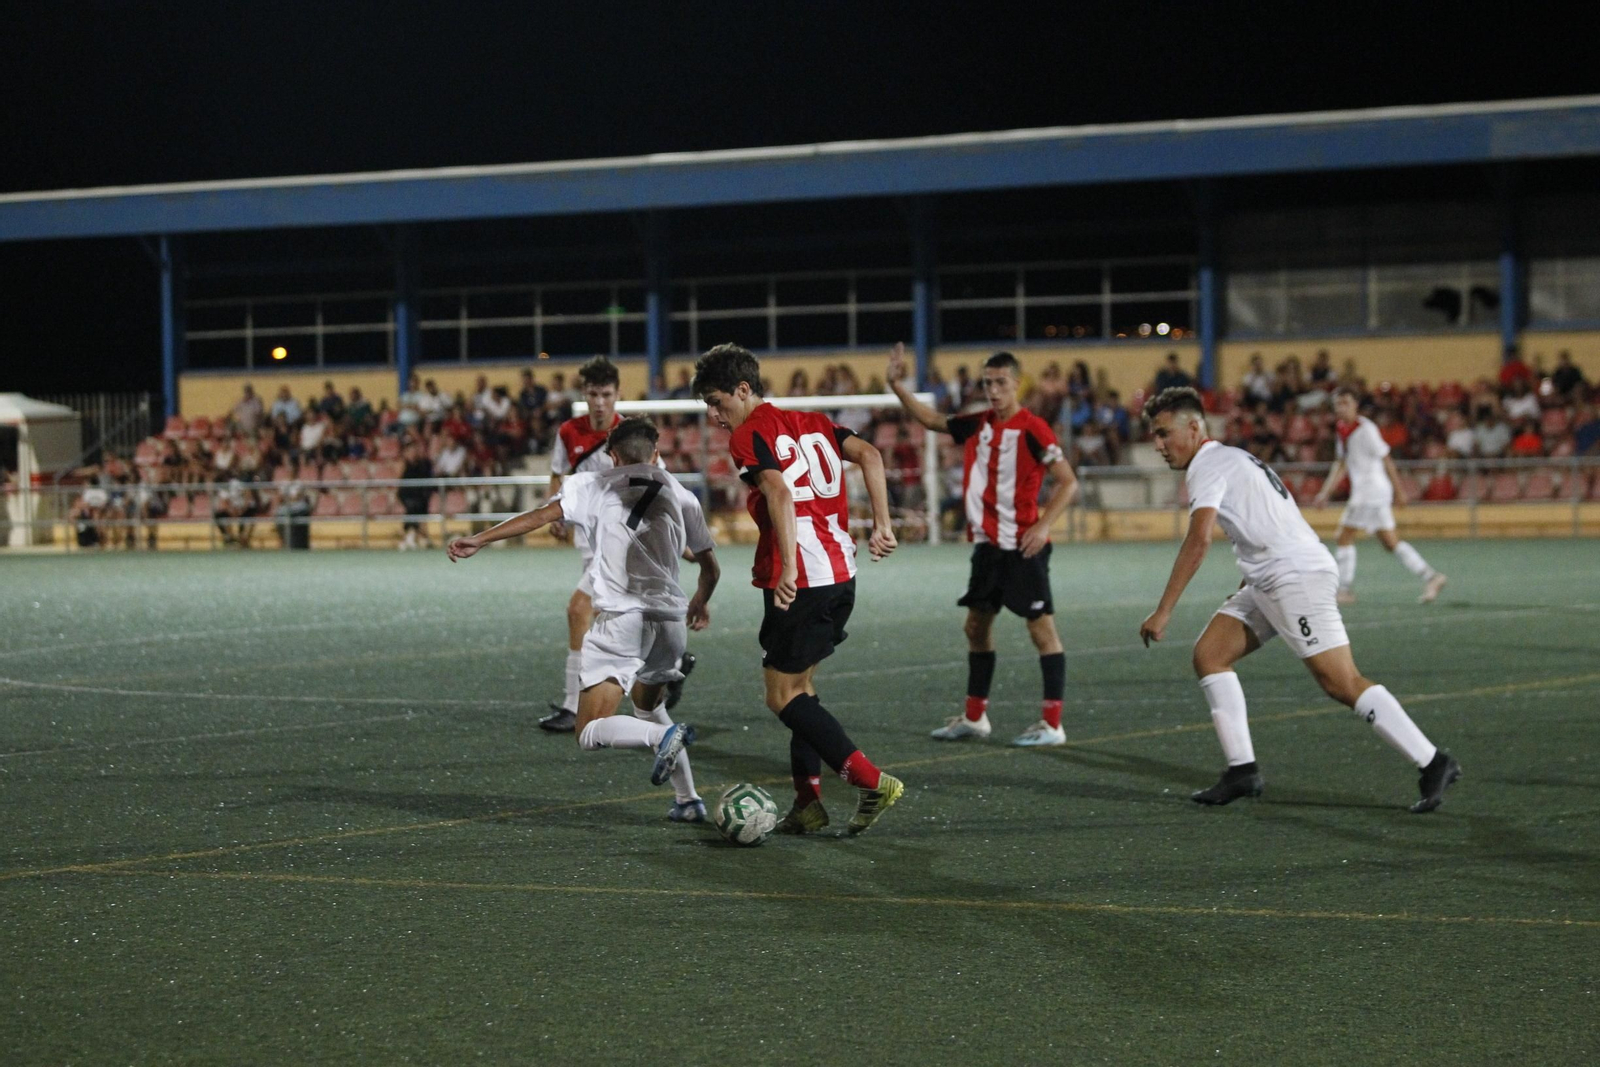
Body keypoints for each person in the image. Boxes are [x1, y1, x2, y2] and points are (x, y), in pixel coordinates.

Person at [1138, 386, 1461, 814]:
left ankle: (1433, 762)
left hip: (1295, 579)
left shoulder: (1208, 465)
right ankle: (1242, 770)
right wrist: (1247, 581)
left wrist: (1164, 611)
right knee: (1210, 655)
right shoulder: (1231, 458)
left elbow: (1198, 541)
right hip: (1271, 577)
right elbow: (1268, 524)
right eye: (1154, 436)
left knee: (1341, 682)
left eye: (1163, 434)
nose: (1157, 445)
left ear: (1195, 427)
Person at [446, 418, 720, 822]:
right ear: (657, 454)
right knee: (649, 707)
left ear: (612, 456)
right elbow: (710, 567)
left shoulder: (594, 484)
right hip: (671, 624)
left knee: (590, 730)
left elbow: (540, 516)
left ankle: (661, 739)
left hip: (622, 622)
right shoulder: (684, 495)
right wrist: (701, 600)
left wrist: (480, 539)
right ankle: (688, 800)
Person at [693, 342, 904, 836]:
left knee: (781, 695)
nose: (716, 416)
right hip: (840, 572)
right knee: (803, 688)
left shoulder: (750, 435)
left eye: (718, 403)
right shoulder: (814, 421)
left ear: (743, 390)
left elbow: (781, 492)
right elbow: (871, 454)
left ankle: (871, 781)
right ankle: (808, 803)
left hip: (801, 577)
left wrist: (788, 566)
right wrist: (882, 524)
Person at [887, 344, 1080, 746]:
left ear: (1017, 384)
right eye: (988, 383)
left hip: (1023, 547)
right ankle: (975, 719)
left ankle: (1053, 725)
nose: (993, 390)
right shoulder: (979, 424)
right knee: (976, 627)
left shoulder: (1033, 429)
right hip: (988, 548)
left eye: (1000, 383)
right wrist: (897, 385)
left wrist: (1043, 526)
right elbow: (931, 419)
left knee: (1042, 632)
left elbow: (1068, 481)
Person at [542, 357, 695, 732]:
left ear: (618, 394)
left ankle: (572, 704)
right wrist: (555, 513)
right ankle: (669, 667)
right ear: (584, 394)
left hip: (623, 543)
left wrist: (682, 535)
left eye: (605, 394)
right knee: (626, 616)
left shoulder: (629, 434)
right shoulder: (568, 432)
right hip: (589, 542)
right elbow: (557, 475)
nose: (598, 402)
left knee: (579, 610)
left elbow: (660, 483)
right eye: (592, 394)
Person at [1311, 387, 1447, 605]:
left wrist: (1400, 491)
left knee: (1343, 537)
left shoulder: (1367, 429)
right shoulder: (1342, 429)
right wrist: (1325, 492)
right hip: (1370, 493)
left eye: (1346, 402)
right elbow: (1341, 463)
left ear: (1356, 405)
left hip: (1370, 491)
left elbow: (1386, 459)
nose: (1341, 408)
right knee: (1390, 542)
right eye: (1337, 404)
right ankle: (1432, 576)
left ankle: (1345, 590)